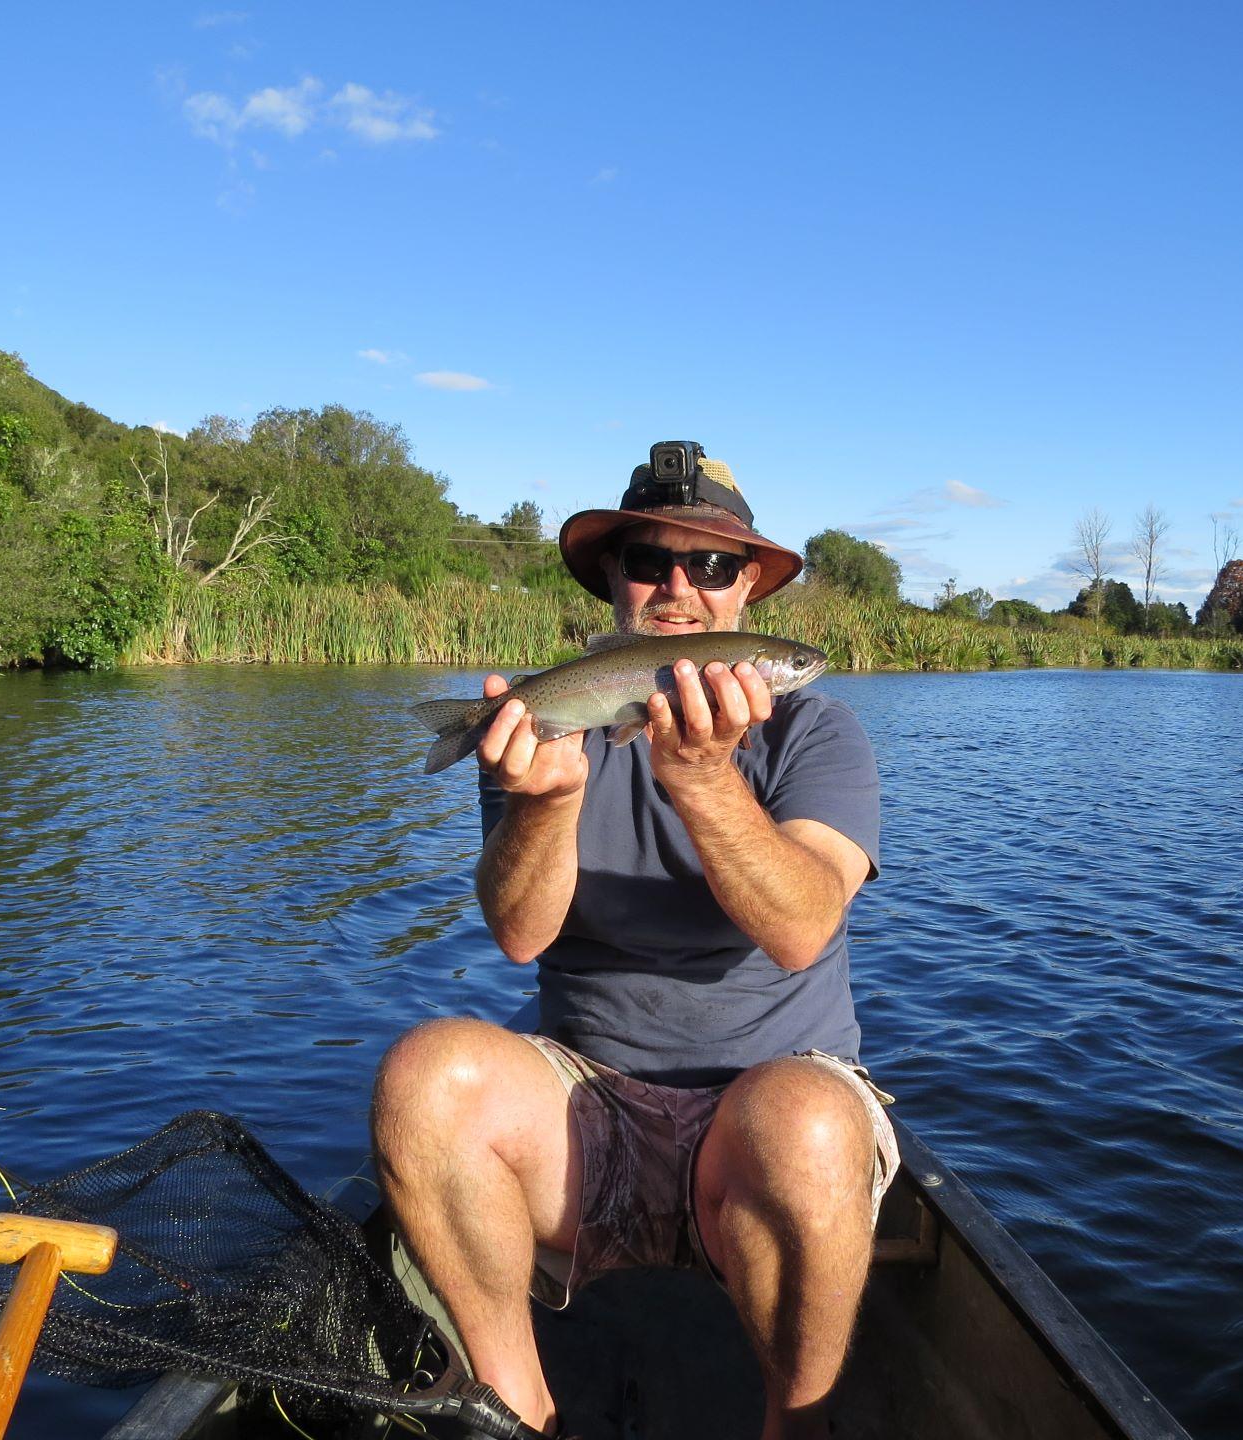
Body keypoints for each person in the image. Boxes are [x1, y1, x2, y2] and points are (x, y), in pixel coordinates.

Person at [373, 443, 896, 1440]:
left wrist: (702, 778)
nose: (678, 588)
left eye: (710, 566)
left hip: (769, 1104)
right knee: (424, 1077)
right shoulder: (546, 731)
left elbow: (801, 929)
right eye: (651, 560)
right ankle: (517, 1410)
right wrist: (543, 807)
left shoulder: (819, 736)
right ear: (615, 579)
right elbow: (520, 938)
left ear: (746, 587)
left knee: (809, 1125)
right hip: (585, 1107)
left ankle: (799, 1426)